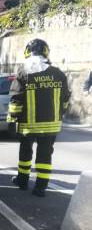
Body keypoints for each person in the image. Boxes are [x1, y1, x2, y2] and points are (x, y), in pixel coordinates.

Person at [8, 39, 70, 197]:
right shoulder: (58, 74)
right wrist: (59, 115)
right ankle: (41, 187)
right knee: (45, 155)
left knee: (25, 153)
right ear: (46, 52)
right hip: (51, 125)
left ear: (28, 52)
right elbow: (65, 100)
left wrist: (11, 119)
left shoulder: (24, 74)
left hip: (28, 125)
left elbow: (16, 98)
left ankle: (22, 181)